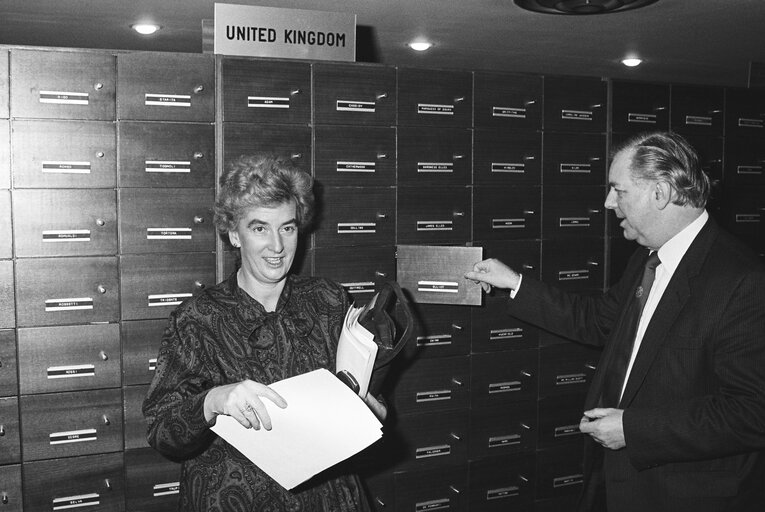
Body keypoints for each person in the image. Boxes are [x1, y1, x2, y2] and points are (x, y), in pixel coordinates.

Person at [465, 131, 765, 512]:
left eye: (618, 190)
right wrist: (515, 283)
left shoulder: (743, 281)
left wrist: (632, 430)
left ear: (660, 193)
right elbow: (598, 321)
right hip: (617, 481)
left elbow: (753, 412)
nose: (609, 203)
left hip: (683, 493)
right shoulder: (648, 258)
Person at [143, 153, 386, 511]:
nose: (277, 246)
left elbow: (369, 401)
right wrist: (212, 401)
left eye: (287, 228)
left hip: (327, 500)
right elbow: (162, 431)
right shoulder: (198, 318)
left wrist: (370, 410)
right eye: (260, 228)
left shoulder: (327, 301)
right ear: (233, 234)